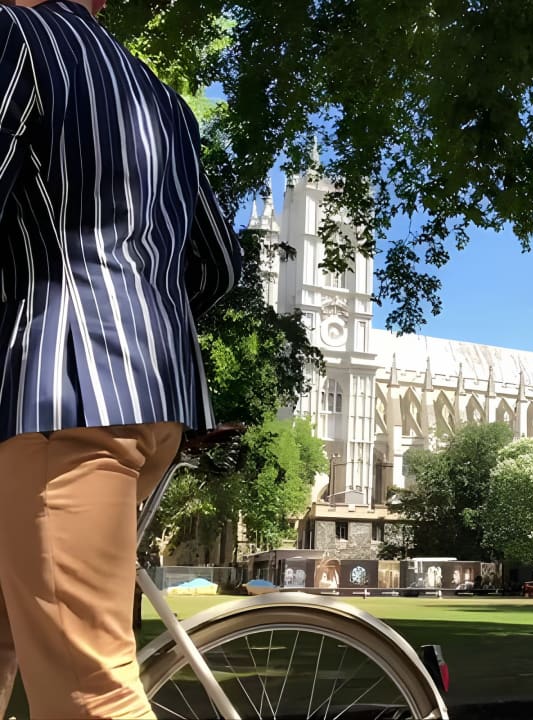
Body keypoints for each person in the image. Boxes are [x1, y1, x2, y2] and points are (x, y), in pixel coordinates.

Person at [0, 1, 243, 718]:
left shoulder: (14, 36)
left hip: (57, 393)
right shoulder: (164, 102)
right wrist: (140, 321)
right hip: (150, 398)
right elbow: (220, 264)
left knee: (90, 689)